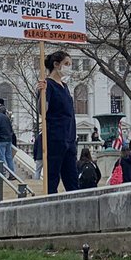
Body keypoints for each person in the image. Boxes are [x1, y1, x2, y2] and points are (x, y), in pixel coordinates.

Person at [39, 50, 79, 193]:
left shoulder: (65, 86)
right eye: (66, 64)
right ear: (56, 64)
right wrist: (42, 93)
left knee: (72, 178)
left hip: (70, 137)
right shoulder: (48, 85)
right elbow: (43, 110)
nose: (69, 67)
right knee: (52, 177)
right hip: (55, 137)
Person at [0, 101, 16, 177]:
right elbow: (10, 128)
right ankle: (12, 174)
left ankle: (2, 174)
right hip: (8, 139)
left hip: (0, 140)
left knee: (1, 157)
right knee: (9, 157)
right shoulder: (5, 117)